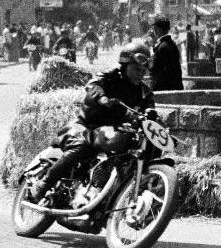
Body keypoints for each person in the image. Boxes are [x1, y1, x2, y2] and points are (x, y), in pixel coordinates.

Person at [27, 41, 157, 202]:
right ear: (125, 65)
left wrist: (152, 116)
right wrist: (102, 98)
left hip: (110, 132)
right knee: (82, 145)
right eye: (137, 69)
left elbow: (150, 111)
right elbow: (93, 84)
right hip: (85, 126)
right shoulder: (111, 76)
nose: (141, 73)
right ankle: (44, 183)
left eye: (143, 70)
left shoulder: (145, 93)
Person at [150, 17, 183, 91]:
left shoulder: (163, 47)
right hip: (170, 87)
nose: (153, 30)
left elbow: (167, 72)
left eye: (154, 28)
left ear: (158, 29)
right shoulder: (168, 44)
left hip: (164, 88)